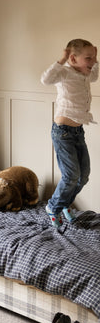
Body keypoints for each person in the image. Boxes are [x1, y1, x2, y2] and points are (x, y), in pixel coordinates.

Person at [41, 39, 98, 228]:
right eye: (87, 58)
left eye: (93, 57)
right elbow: (45, 79)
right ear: (73, 58)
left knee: (84, 175)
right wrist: (62, 59)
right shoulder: (64, 72)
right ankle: (53, 206)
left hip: (77, 132)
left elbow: (95, 76)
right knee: (71, 175)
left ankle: (64, 204)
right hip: (62, 132)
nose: (91, 62)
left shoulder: (85, 73)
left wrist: (94, 60)